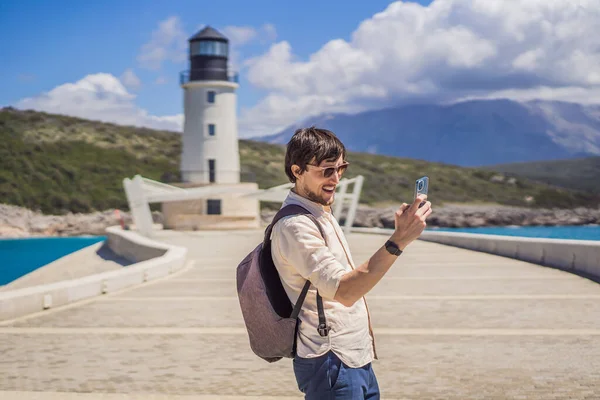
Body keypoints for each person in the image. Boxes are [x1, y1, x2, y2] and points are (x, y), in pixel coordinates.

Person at [270, 127, 433, 399]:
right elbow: (345, 292)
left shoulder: (319, 211)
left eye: (341, 168)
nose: (336, 178)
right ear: (297, 171)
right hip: (331, 360)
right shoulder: (296, 226)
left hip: (353, 357)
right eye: (326, 170)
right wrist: (398, 240)